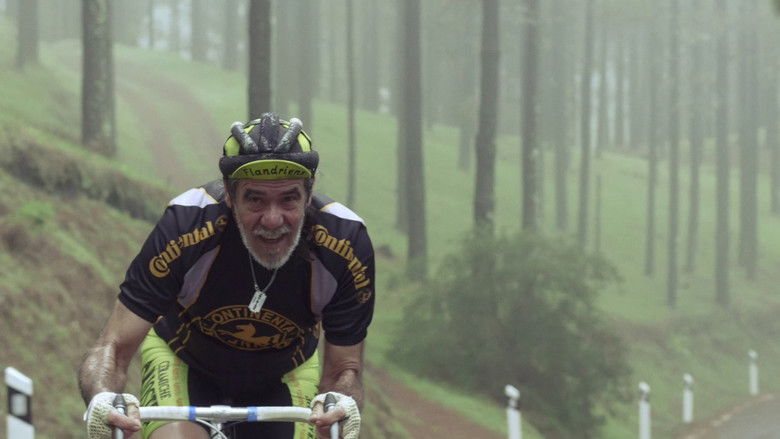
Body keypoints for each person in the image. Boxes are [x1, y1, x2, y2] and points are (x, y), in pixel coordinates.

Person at [79, 113, 374, 439]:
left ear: (309, 192)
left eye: (289, 199)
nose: (273, 219)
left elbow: (344, 370)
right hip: (184, 360)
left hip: (285, 373)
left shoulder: (344, 242)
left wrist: (340, 405)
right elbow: (114, 347)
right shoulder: (188, 224)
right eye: (255, 199)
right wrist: (102, 397)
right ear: (230, 196)